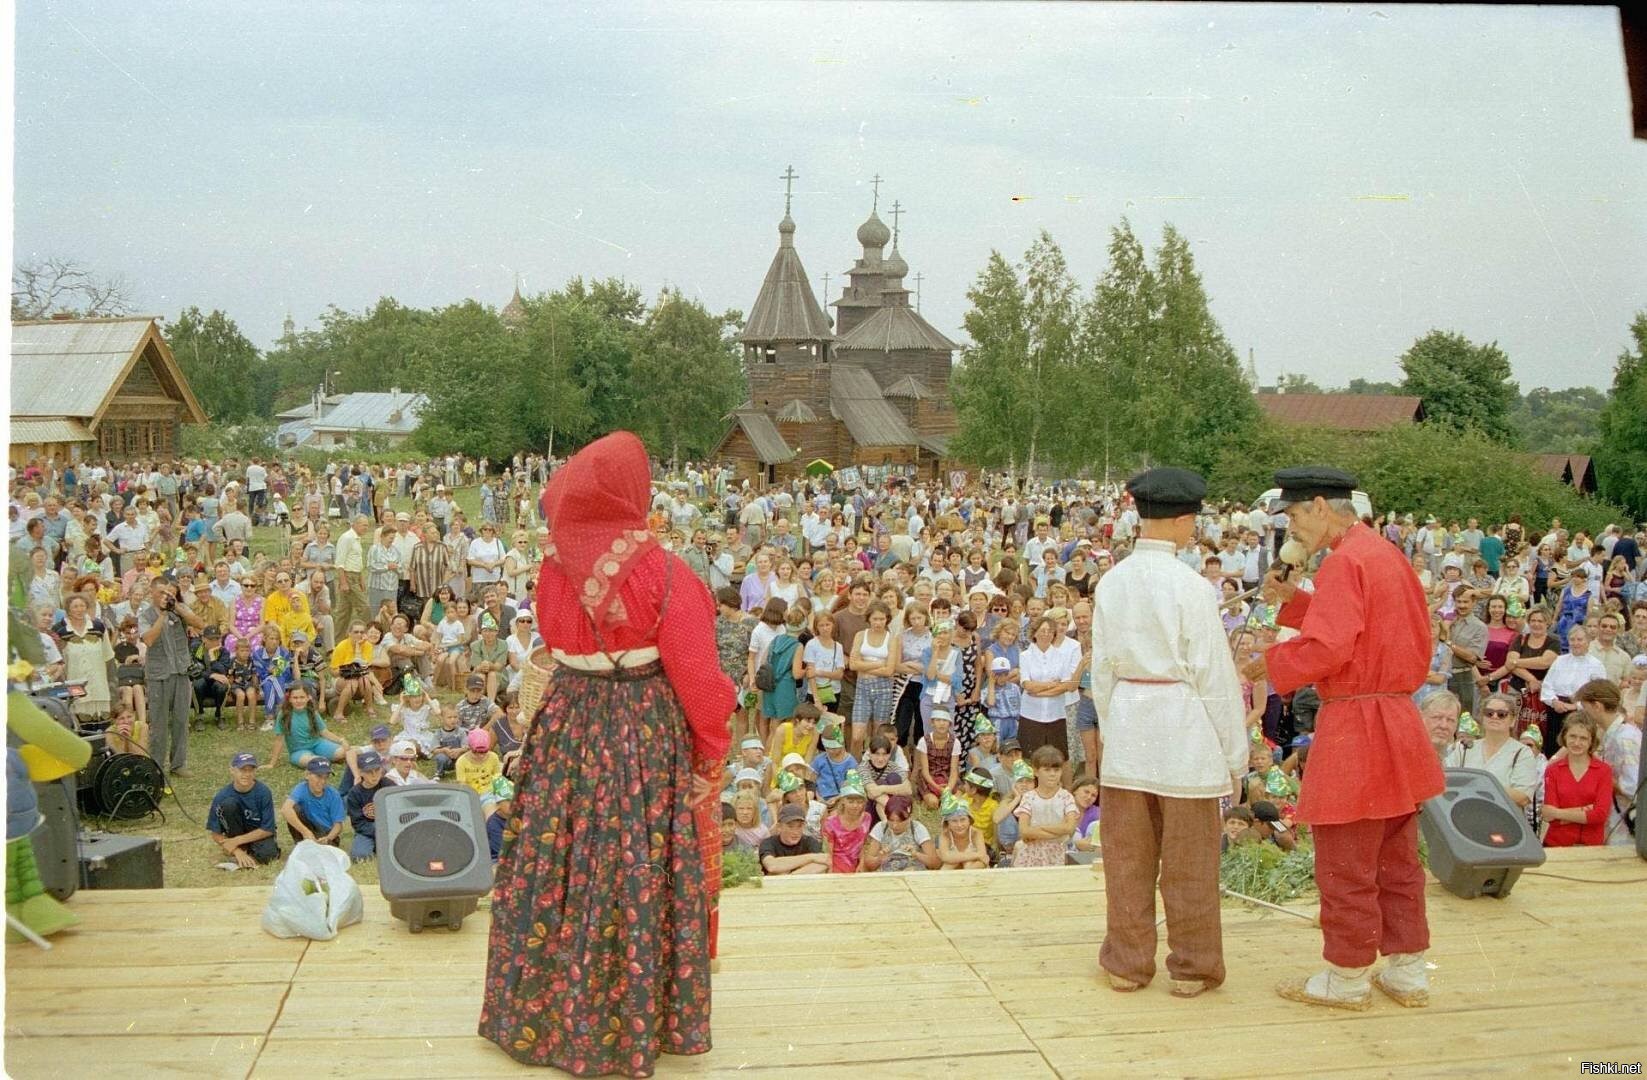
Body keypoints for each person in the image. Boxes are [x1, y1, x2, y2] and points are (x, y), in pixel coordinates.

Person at [480, 432, 735, 1077]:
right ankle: (625, 1020)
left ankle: (538, 1013)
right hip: (640, 732)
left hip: (568, 721)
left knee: (555, 860)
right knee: (631, 866)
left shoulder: (551, 568)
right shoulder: (671, 576)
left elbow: (555, 642)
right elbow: (701, 683)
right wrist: (710, 756)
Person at [1247, 467, 1446, 1011]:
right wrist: (1296, 604)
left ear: (1318, 506)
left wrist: (1266, 661)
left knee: (1345, 857)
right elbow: (1367, 634)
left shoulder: (1342, 562)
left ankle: (1347, 977)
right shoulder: (1384, 554)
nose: (1293, 528)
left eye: (1292, 516)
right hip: (1397, 718)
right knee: (1397, 858)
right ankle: (1407, 973)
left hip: (1356, 725)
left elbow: (1330, 650)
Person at [1090, 467, 1248, 999]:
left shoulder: (1111, 581)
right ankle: (1194, 965)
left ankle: (1127, 963)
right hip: (1185, 727)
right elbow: (1215, 675)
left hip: (1131, 723)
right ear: (1183, 521)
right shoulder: (1193, 587)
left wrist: (1115, 732)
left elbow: (1102, 671)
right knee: (1190, 859)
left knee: (1127, 857)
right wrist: (1235, 754)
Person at [138, 573, 204, 780]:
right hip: (158, 675)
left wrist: (176, 608)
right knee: (158, 724)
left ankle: (179, 764)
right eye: (161, 593)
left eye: (168, 593)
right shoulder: (145, 614)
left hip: (181, 672)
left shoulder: (178, 610)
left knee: (181, 721)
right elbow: (148, 640)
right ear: (152, 593)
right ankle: (156, 765)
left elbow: (199, 623)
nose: (165, 597)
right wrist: (162, 616)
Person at [1540, 713, 1614, 846]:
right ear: (1564, 736)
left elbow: (1600, 815)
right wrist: (1586, 810)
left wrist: (1559, 813)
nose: (1577, 743)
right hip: (1557, 845)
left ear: (1591, 741)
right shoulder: (1553, 770)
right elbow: (1549, 816)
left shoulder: (1604, 771)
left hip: (1592, 847)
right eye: (1572, 736)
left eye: (1583, 738)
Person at [207, 752, 280, 869]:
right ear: (232, 770)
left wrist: (235, 841)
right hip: (236, 831)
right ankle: (242, 852)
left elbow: (268, 829)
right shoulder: (222, 796)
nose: (246, 774)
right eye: (242, 770)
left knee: (269, 855)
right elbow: (215, 833)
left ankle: (244, 856)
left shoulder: (263, 792)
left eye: (250, 770)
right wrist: (237, 851)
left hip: (258, 834)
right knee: (229, 804)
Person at [281, 757, 346, 846]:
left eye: (326, 777)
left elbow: (338, 825)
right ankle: (300, 843)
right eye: (318, 776)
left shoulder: (334, 794)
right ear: (307, 775)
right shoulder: (301, 788)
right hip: (308, 827)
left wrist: (328, 838)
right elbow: (285, 809)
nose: (322, 781)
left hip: (326, 833)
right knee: (294, 809)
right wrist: (305, 832)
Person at [343, 749, 391, 862]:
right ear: (360, 772)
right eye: (369, 772)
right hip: (367, 832)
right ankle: (376, 846)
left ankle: (381, 846)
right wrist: (377, 830)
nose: (374, 775)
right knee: (359, 856)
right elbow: (358, 824)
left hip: (390, 828)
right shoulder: (354, 794)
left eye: (377, 770)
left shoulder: (388, 785)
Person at [758, 803, 828, 875]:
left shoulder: (810, 841)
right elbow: (771, 865)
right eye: (790, 826)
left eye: (799, 826)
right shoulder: (768, 843)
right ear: (779, 827)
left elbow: (823, 863)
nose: (795, 832)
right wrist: (811, 857)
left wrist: (791, 876)